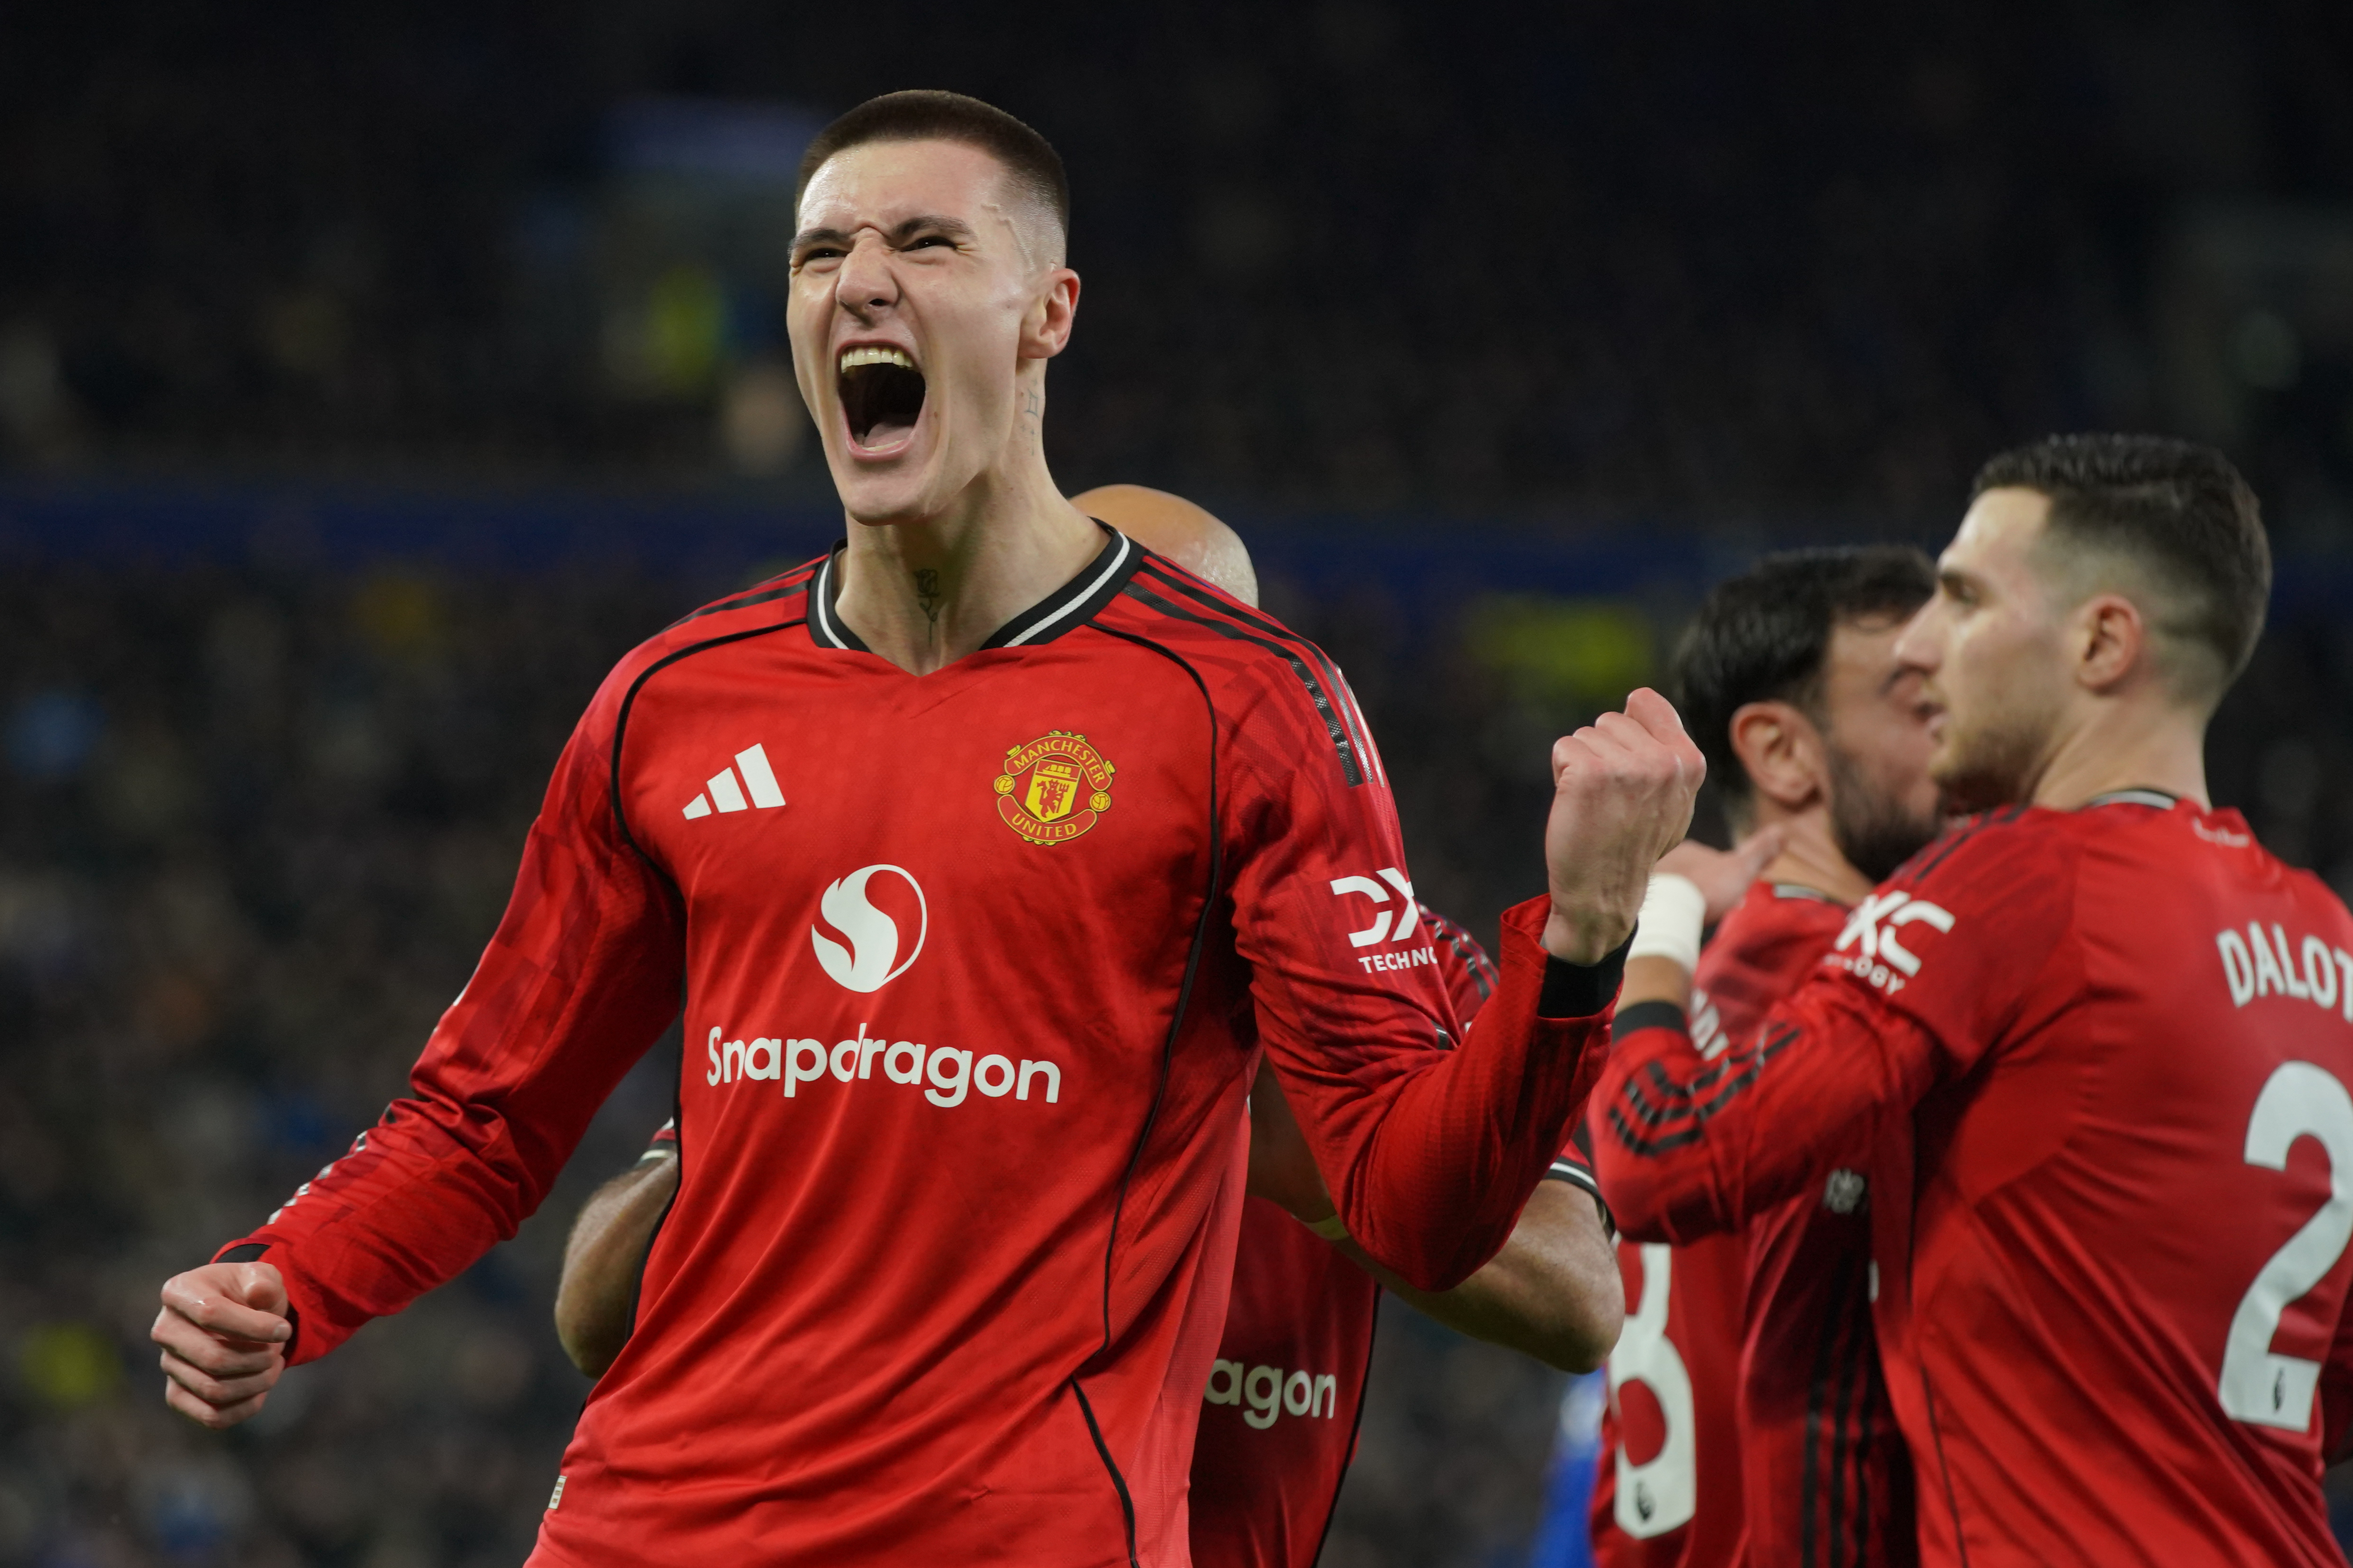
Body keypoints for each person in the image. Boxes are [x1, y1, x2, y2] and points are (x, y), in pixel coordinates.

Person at [152, 93, 1699, 1568]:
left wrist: (1577, 946)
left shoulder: (1251, 710)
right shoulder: (671, 700)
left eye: (925, 244)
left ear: (1048, 312)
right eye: (821, 254)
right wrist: (293, 1276)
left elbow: (1434, 1215)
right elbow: (482, 1116)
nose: (859, 283)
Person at [555, 484, 1624, 1568]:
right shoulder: (926, 949)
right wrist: (763, 1122)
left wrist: (1328, 1177)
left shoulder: (1397, 958)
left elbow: (1581, 1298)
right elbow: (592, 1311)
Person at [1586, 434, 2353, 1566]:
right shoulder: (2323, 935)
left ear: (2100, 642)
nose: (1922, 641)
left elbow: (1663, 1155)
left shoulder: (2013, 879)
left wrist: (1653, 925)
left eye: (1962, 599)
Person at [1579, 547, 1939, 1568]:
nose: (1962, 738)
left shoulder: (1674, 991)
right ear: (1783, 752)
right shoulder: (1854, 995)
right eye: (1918, 702)